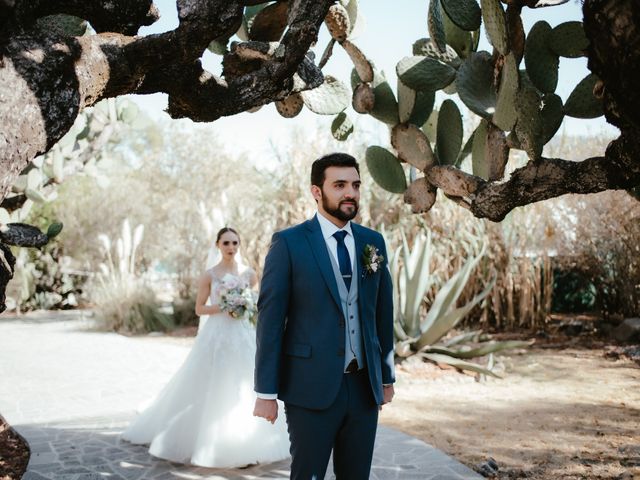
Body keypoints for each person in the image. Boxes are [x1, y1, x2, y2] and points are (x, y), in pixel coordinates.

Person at [253, 153, 396, 479]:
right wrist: (266, 392)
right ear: (317, 191)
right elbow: (270, 321)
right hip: (308, 387)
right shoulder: (289, 243)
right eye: (340, 185)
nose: (351, 193)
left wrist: (386, 377)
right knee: (308, 474)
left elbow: (382, 315)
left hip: (363, 389)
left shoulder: (372, 242)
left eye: (356, 185)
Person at [122, 227, 290, 468]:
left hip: (243, 333)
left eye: (235, 243)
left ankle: (249, 439)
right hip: (218, 333)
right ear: (218, 245)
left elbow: (256, 303)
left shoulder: (249, 274)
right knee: (213, 381)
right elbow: (199, 308)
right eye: (226, 243)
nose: (231, 247)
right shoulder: (209, 275)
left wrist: (243, 304)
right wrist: (224, 306)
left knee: (248, 381)